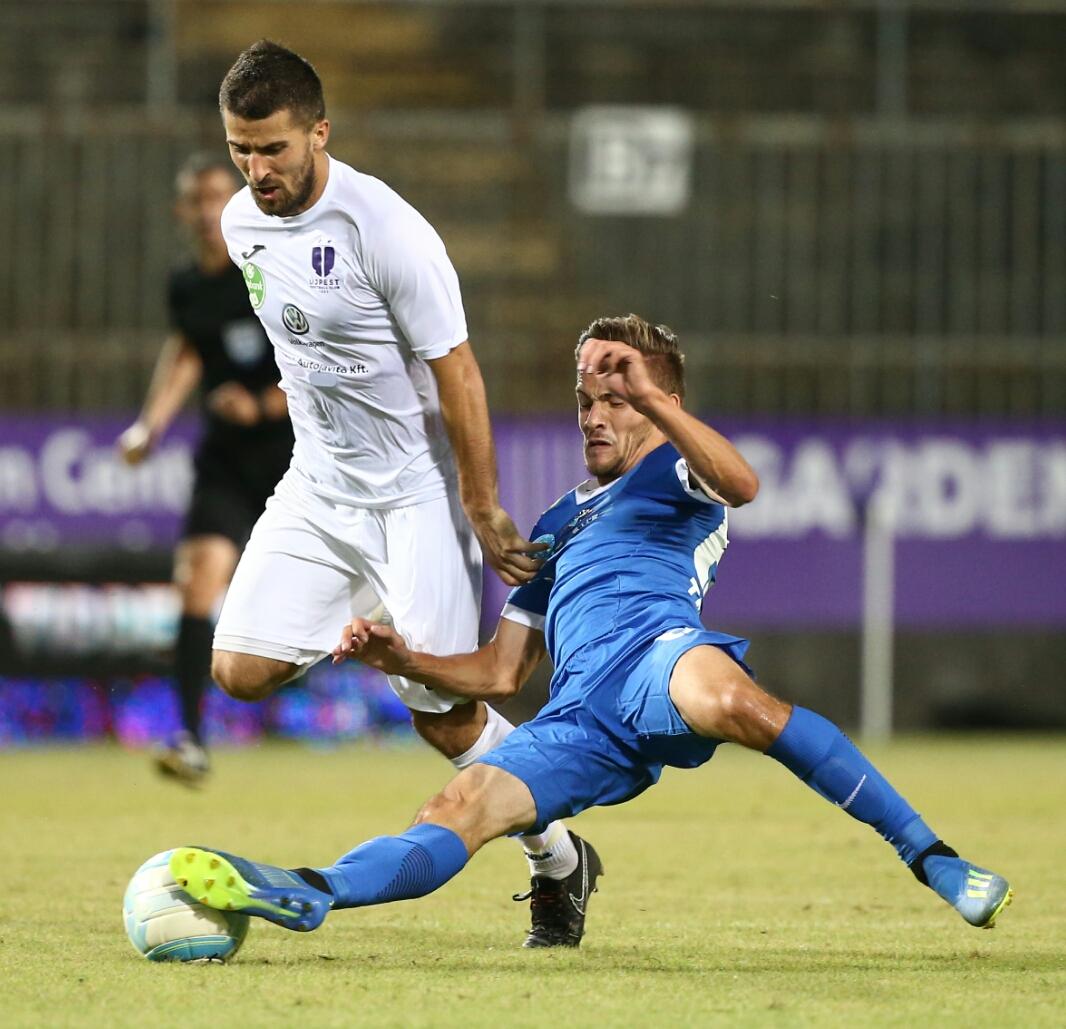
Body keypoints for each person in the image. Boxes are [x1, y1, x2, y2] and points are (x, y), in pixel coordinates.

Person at [171, 314, 1012, 945]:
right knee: (462, 803)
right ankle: (312, 888)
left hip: (659, 660)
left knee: (729, 697)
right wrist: (403, 657)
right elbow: (500, 674)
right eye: (587, 400)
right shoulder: (554, 523)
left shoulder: (677, 470)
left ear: (661, 401)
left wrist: (652, 402)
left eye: (617, 398)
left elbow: (743, 483)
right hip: (578, 718)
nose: (595, 416)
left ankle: (932, 856)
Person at [200, 40, 592, 947]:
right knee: (239, 671)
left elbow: (459, 373)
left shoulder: (386, 229)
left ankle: (559, 857)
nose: (258, 170)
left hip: (413, 497)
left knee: (446, 719)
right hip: (316, 487)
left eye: (274, 149)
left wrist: (480, 504)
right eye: (241, 151)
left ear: (320, 132)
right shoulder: (240, 225)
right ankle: (380, 621)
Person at [118, 154, 294, 785]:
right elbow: (188, 351)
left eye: (217, 196)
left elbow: (317, 355)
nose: (206, 210)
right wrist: (150, 426)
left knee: (330, 597)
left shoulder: (269, 267)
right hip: (225, 459)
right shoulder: (187, 284)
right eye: (195, 200)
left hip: (294, 458)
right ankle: (191, 737)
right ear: (181, 210)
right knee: (196, 583)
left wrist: (263, 404)